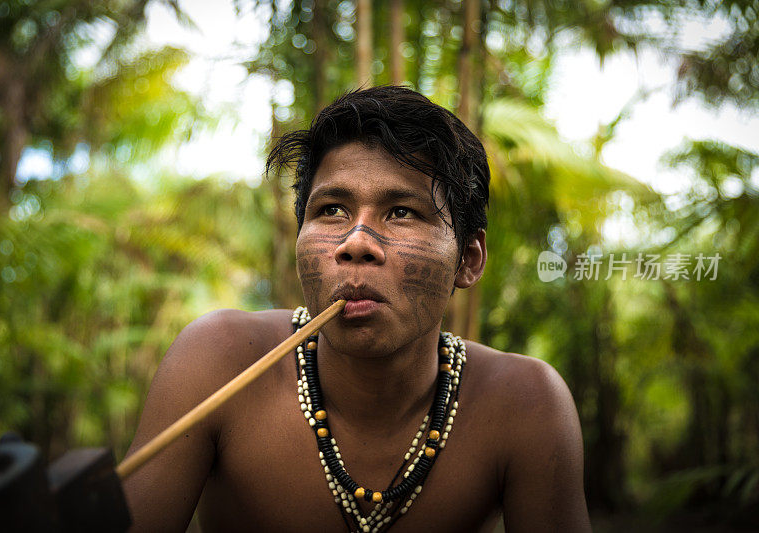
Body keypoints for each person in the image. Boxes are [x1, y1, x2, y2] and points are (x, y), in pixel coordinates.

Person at [122, 86, 591, 532]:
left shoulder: (525, 405)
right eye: (331, 210)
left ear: (467, 260)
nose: (357, 243)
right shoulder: (217, 362)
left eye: (402, 212)